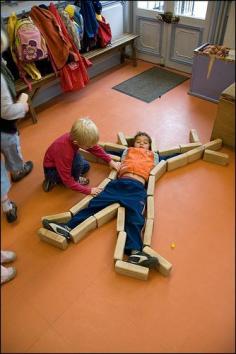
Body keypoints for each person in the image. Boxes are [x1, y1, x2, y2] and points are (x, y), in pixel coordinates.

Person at [42, 131, 161, 269]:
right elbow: (107, 151)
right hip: (119, 183)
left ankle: (135, 253)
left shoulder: (154, 156)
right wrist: (110, 159)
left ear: (150, 146)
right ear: (133, 144)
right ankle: (68, 227)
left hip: (137, 189)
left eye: (145, 142)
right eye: (138, 141)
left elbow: (167, 158)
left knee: (135, 218)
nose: (141, 144)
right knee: (95, 204)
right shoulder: (128, 151)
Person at [42, 117, 120, 195]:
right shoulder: (65, 152)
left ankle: (72, 177)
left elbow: (94, 148)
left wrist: (110, 161)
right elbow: (67, 180)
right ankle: (52, 179)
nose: (91, 147)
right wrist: (89, 191)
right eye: (88, 146)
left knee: (86, 166)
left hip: (63, 161)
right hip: (52, 170)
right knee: (79, 164)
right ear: (76, 142)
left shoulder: (75, 138)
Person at [1, 24, 34, 183]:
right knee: (11, 146)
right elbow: (6, 111)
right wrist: (23, 106)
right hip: (4, 127)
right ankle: (17, 171)